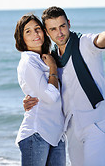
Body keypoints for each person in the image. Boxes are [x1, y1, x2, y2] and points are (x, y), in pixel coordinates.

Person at [23, 6, 105, 166]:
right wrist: (29, 101)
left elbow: (99, 39)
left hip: (96, 123)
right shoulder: (51, 59)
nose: (59, 33)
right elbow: (47, 91)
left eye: (62, 26)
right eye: (53, 29)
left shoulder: (83, 43)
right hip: (71, 127)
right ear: (47, 32)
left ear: (68, 23)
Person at [14, 14, 66, 166]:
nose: (35, 34)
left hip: (56, 133)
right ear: (21, 38)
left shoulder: (45, 58)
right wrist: (53, 68)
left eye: (37, 29)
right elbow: (50, 97)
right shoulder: (29, 61)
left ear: (44, 31)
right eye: (28, 31)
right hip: (37, 133)